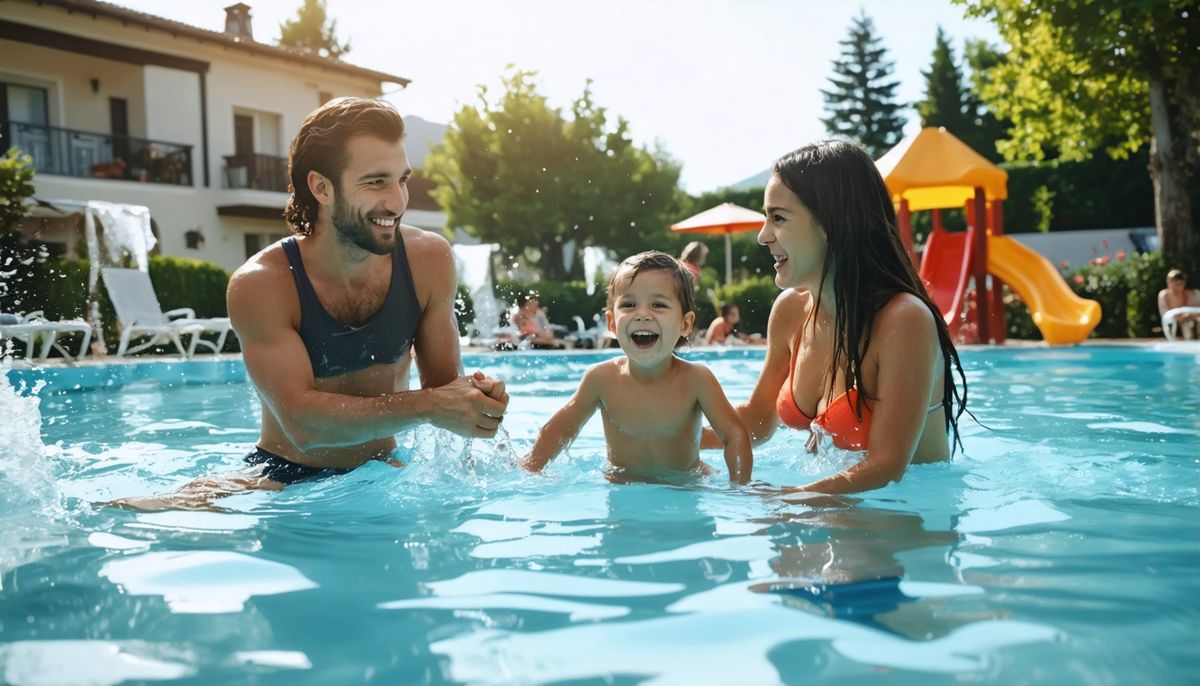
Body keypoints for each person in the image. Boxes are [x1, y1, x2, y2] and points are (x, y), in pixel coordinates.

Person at [106, 97, 509, 510]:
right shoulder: (263, 285)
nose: (398, 201)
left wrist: (477, 402)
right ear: (321, 187)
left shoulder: (428, 261)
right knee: (132, 514)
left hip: (383, 471)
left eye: (401, 179)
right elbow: (302, 426)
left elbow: (444, 394)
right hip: (285, 481)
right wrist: (430, 405)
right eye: (375, 183)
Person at [701, 140, 967, 495]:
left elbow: (887, 467)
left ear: (830, 223)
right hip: (839, 509)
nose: (763, 236)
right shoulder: (791, 312)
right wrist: (664, 439)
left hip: (908, 521)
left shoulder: (904, 321)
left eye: (778, 217)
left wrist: (788, 500)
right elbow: (757, 422)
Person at [522, 251, 752, 483]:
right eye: (629, 304)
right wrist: (530, 469)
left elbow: (734, 435)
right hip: (624, 484)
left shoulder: (696, 379)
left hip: (685, 485)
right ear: (612, 322)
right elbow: (560, 429)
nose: (642, 314)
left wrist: (740, 488)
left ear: (685, 324)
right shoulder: (601, 379)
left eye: (658, 304)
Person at [1157, 268, 1200, 339]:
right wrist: (1180, 317)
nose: (1174, 283)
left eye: (1178, 280)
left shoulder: (1192, 294)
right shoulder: (1164, 295)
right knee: (1187, 324)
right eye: (1171, 280)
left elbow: (1196, 311)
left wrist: (1190, 316)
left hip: (1190, 321)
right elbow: (1164, 314)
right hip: (1174, 324)